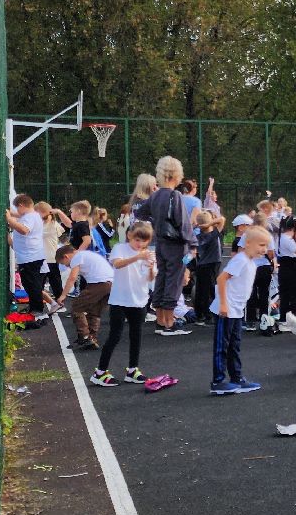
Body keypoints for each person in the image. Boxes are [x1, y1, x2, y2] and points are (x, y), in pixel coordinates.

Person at [89, 222, 156, 387]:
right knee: (115, 335)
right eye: (137, 240)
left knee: (136, 336)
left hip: (139, 299)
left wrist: (151, 267)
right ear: (129, 236)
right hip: (120, 300)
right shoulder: (120, 248)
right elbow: (117, 264)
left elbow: (150, 278)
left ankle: (133, 369)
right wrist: (137, 257)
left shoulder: (148, 253)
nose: (140, 244)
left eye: (144, 241)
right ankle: (100, 372)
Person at [209, 225, 270, 396]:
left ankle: (236, 378)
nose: (264, 249)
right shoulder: (241, 259)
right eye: (261, 245)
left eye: (266, 246)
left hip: (236, 310)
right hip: (227, 310)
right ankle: (218, 381)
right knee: (222, 346)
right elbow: (221, 279)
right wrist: (223, 304)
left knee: (234, 345)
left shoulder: (251, 262)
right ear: (248, 243)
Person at [147, 156, 194, 337]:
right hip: (177, 246)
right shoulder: (175, 196)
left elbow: (141, 212)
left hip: (161, 244)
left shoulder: (156, 195)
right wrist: (193, 245)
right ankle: (169, 322)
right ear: (177, 174)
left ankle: (160, 320)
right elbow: (183, 223)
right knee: (174, 281)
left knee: (162, 279)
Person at [54, 243, 112, 349]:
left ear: (66, 256)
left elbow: (72, 277)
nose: (67, 266)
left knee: (77, 307)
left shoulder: (77, 257)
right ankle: (92, 338)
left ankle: (85, 336)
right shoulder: (86, 254)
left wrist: (63, 295)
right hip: (111, 284)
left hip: (98, 283)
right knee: (94, 312)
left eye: (64, 263)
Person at [6, 194, 50, 317]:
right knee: (29, 283)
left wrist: (9, 219)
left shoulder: (30, 217)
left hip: (30, 257)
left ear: (21, 205)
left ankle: (37, 309)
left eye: (17, 208)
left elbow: (24, 230)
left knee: (32, 284)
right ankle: (34, 307)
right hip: (30, 256)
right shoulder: (32, 215)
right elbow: (20, 216)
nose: (17, 211)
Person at [190, 210, 225, 326]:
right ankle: (209, 316)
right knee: (211, 290)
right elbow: (222, 219)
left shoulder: (197, 236)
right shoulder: (214, 234)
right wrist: (209, 224)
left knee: (201, 289)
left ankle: (200, 315)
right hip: (213, 264)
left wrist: (197, 225)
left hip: (201, 264)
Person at [34, 201, 71, 304]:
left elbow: (68, 224)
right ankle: (42, 301)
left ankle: (59, 301)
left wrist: (57, 212)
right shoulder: (39, 224)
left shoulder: (53, 224)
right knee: (43, 282)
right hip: (41, 258)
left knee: (55, 281)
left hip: (50, 257)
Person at [274, 215, 296, 323]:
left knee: (285, 293)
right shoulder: (288, 239)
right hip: (293, 266)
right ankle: (294, 316)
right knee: (295, 292)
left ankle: (284, 317)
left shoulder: (280, 237)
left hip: (284, 266)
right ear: (295, 226)